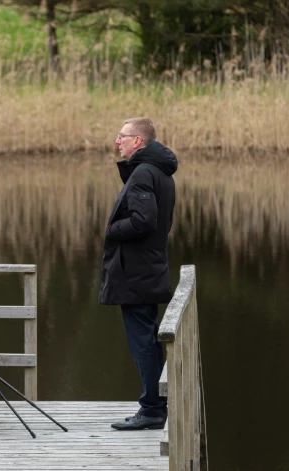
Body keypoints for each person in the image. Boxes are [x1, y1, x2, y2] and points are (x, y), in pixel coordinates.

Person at [98, 118, 177, 431]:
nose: (118, 141)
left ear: (138, 142)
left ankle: (152, 409)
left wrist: (111, 231)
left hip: (137, 275)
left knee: (143, 342)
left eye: (123, 136)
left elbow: (144, 221)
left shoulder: (144, 172)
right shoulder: (158, 171)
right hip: (147, 270)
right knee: (148, 340)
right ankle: (155, 404)